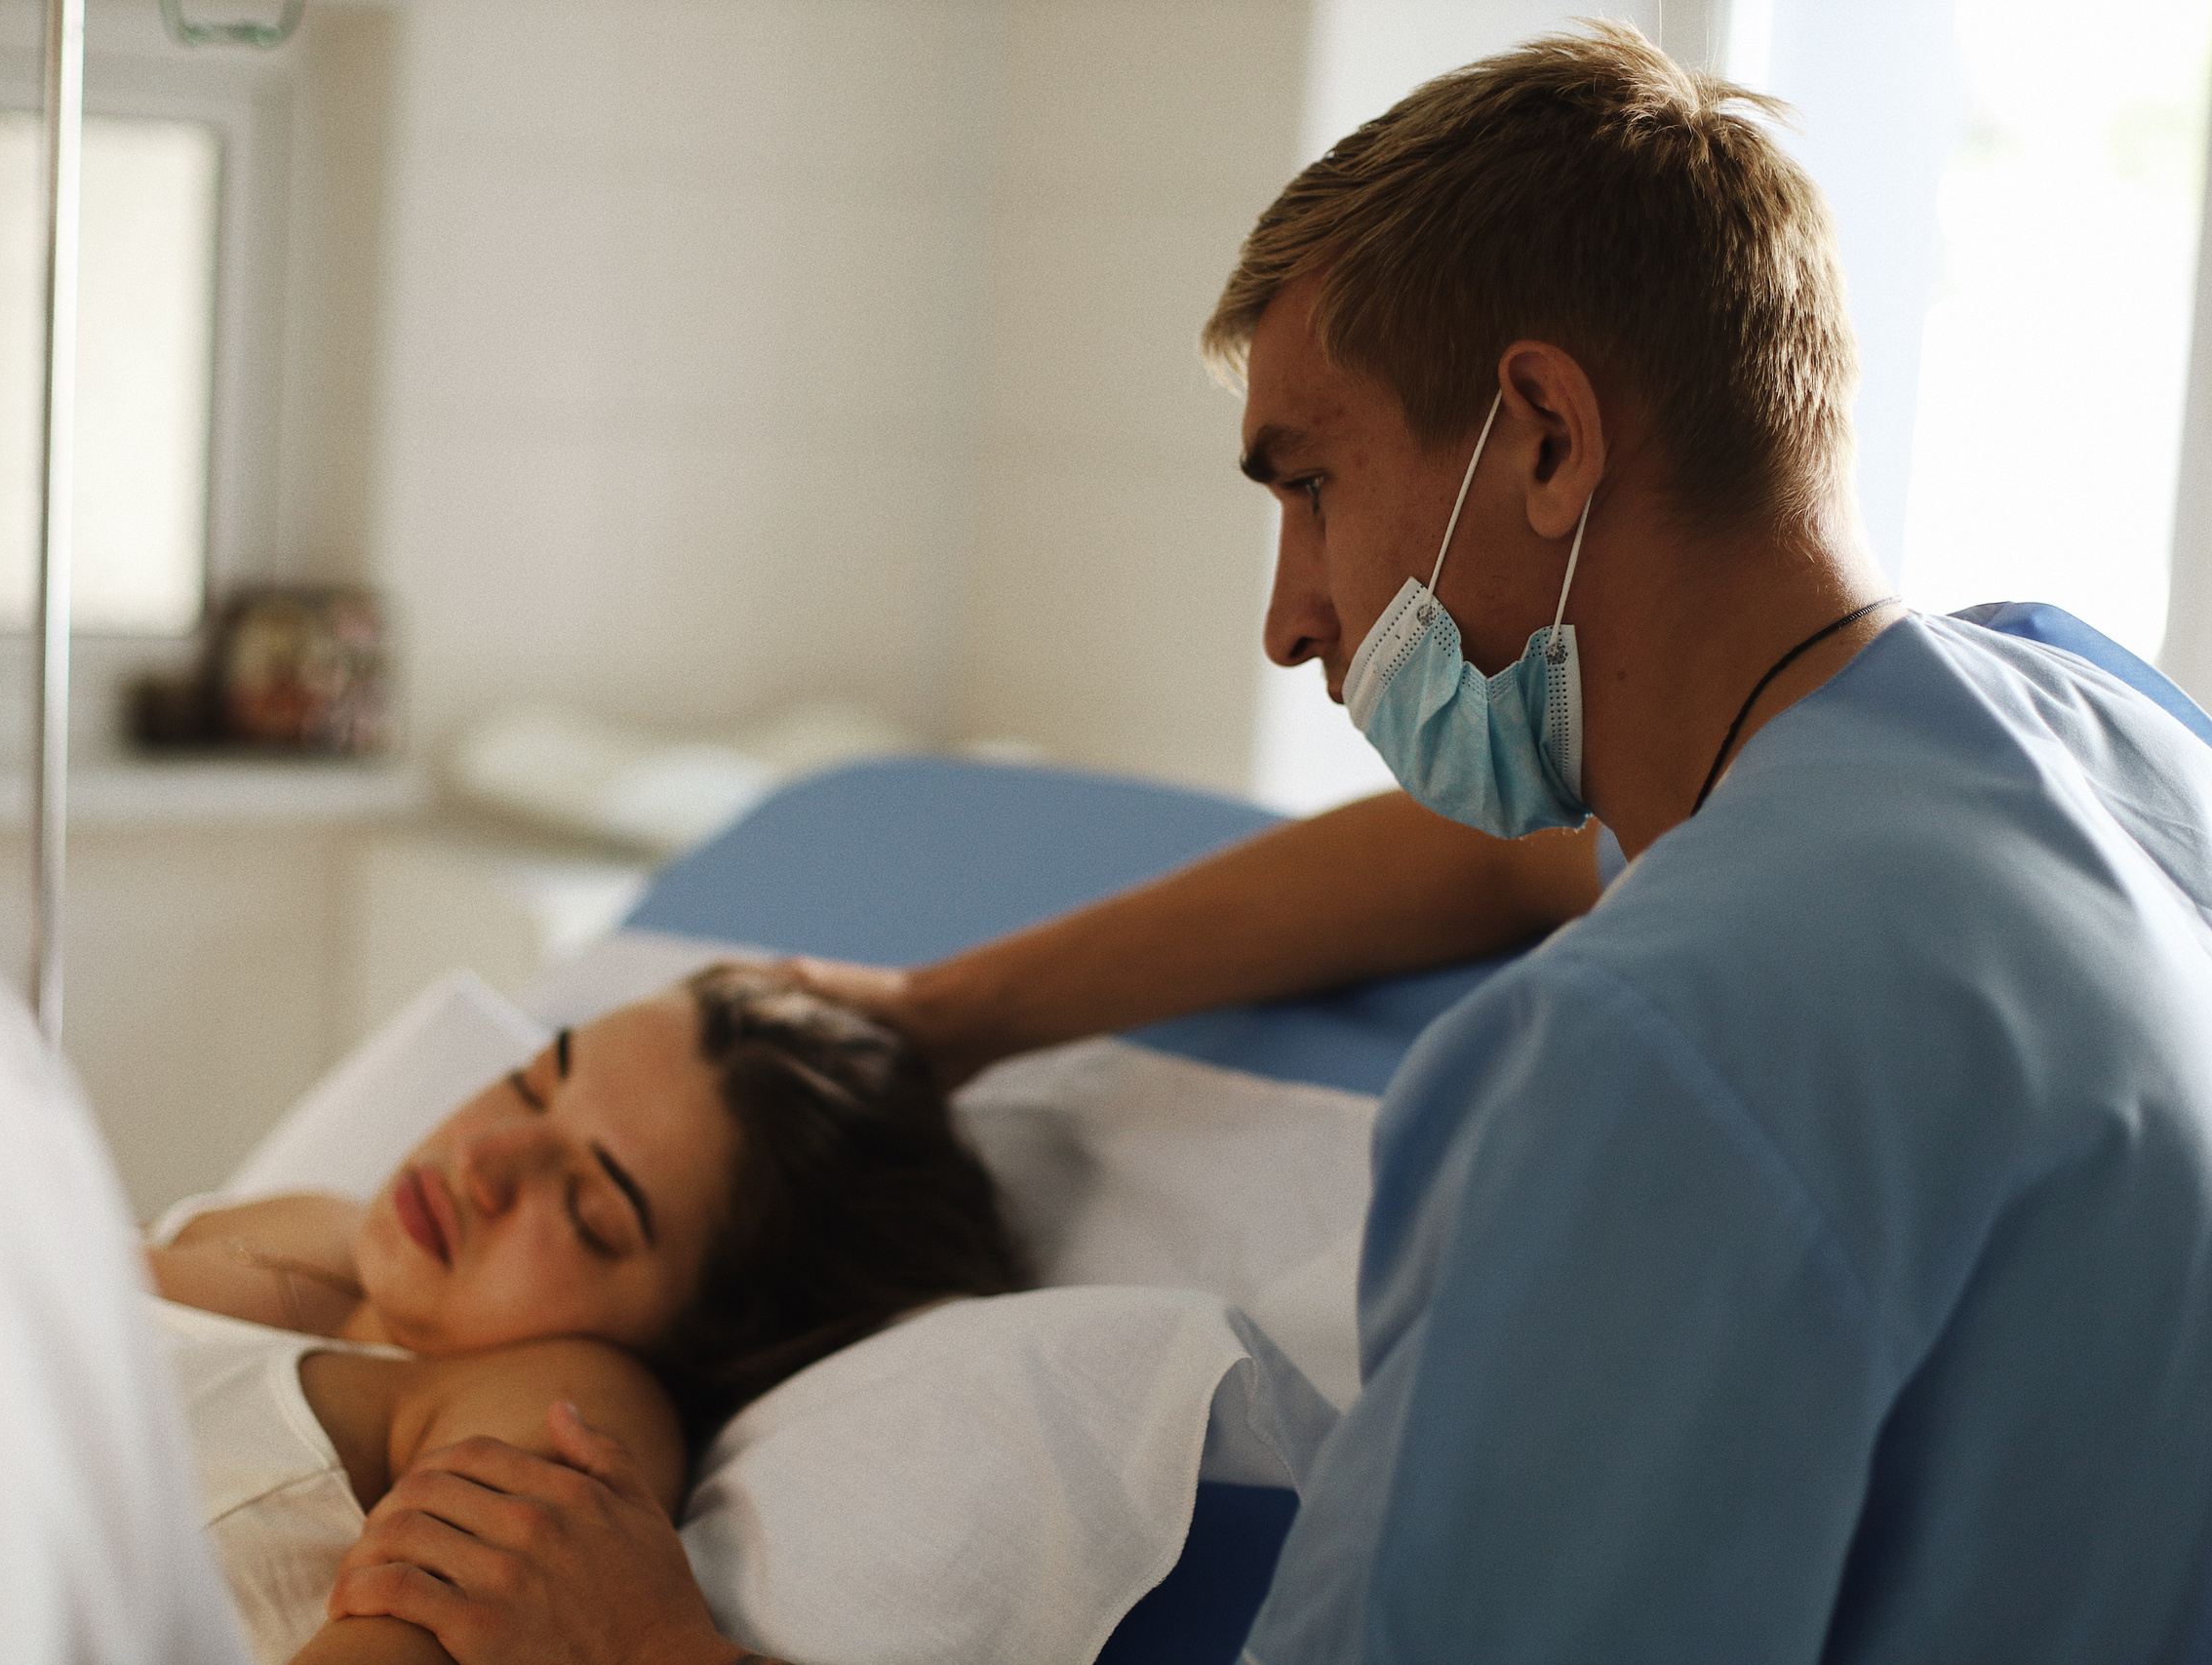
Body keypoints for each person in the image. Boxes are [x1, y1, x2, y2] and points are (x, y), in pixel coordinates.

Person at [317, 22, 2212, 1665]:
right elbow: (1518, 860)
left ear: (1543, 436)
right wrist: (947, 1010)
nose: (1289, 618)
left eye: (1307, 485)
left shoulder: (1636, 1068)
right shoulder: (2072, 727)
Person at [147, 964, 1021, 1665]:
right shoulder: (299, 1224)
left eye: (589, 1209)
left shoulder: (568, 1406)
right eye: (534, 1084)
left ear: (698, 1339)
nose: (480, 1158)